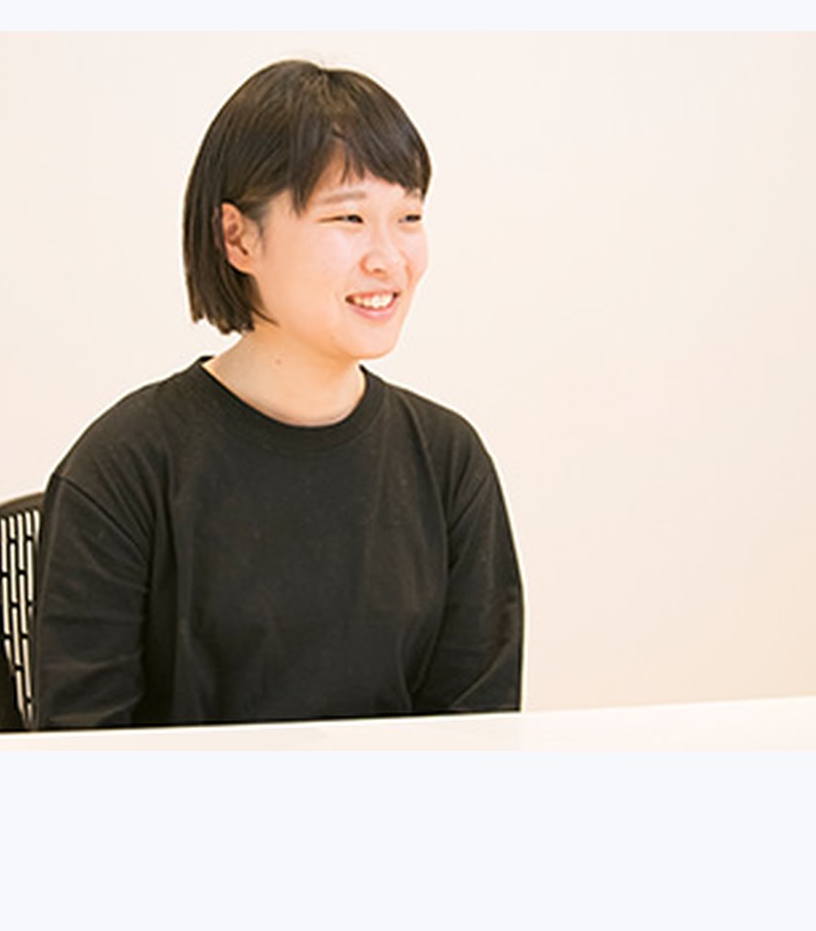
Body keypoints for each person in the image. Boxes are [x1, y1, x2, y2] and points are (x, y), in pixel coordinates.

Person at [31, 59, 523, 728]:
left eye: (408, 216)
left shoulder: (447, 461)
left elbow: (477, 734)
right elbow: (82, 749)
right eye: (348, 217)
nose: (389, 257)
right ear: (239, 238)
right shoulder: (124, 467)